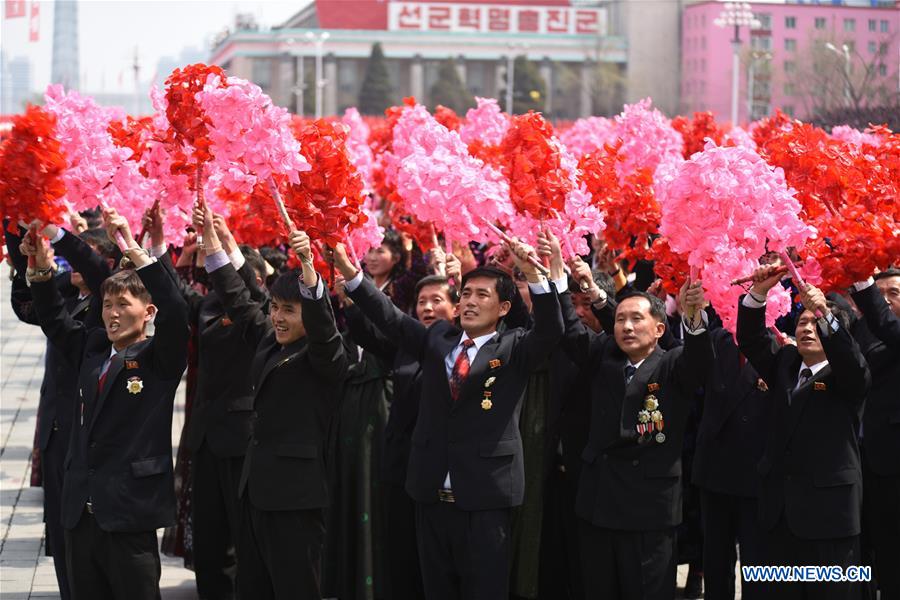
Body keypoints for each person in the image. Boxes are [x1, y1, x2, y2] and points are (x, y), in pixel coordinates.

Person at [331, 233, 565, 600]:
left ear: (503, 308)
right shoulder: (437, 337)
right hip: (430, 493)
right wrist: (350, 273)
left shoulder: (516, 347)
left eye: (482, 296)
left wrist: (533, 273)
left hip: (485, 497)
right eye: (467, 294)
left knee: (484, 590)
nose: (471, 302)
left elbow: (552, 328)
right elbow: (391, 319)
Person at [23, 208, 189, 599]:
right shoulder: (94, 348)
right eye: (107, 305)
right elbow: (55, 321)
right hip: (80, 513)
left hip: (130, 514)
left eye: (123, 305)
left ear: (147, 312)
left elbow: (178, 310)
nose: (113, 314)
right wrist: (40, 270)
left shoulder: (159, 359)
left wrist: (134, 249)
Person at [196, 204, 349, 600]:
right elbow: (239, 299)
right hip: (255, 491)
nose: (278, 318)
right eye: (276, 309)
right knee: (254, 588)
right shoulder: (269, 339)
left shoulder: (325, 356)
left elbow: (322, 326)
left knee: (295, 589)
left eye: (288, 310)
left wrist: (309, 269)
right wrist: (213, 242)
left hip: (296, 498)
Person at [562, 254, 712, 600]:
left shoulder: (673, 364)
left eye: (636, 319)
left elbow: (700, 360)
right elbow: (570, 329)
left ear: (659, 329)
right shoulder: (603, 357)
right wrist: (562, 275)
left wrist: (693, 317)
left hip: (649, 512)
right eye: (620, 320)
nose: (627, 327)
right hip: (598, 505)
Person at [737, 265, 870, 600]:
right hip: (778, 512)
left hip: (829, 516)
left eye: (816, 323)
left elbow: (850, 361)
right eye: (803, 322)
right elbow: (752, 339)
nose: (808, 328)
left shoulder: (849, 374)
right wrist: (758, 294)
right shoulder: (785, 363)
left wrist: (824, 311)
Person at [5, 220, 112, 600]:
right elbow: (28, 306)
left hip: (86, 435)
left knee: (86, 539)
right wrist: (18, 236)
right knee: (61, 532)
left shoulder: (107, 307)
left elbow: (98, 274)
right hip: (56, 432)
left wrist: (62, 238)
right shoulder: (68, 296)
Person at [850, 269, 900, 600]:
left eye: (893, 292)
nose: (883, 299)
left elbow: (887, 326)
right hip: (852, 461)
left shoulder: (891, 331)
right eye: (878, 291)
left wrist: (861, 278)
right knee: (856, 555)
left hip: (892, 465)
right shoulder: (858, 331)